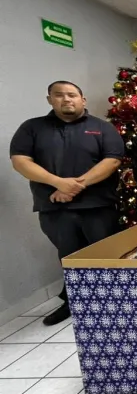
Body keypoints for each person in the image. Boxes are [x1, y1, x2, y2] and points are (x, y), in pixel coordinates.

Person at [9, 81, 124, 325]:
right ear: (49, 99)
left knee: (106, 255)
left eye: (72, 95)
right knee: (68, 257)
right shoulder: (32, 128)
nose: (66, 99)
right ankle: (73, 304)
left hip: (98, 207)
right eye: (59, 95)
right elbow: (20, 161)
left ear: (83, 99)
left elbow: (113, 161)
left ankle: (113, 305)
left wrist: (74, 186)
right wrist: (57, 182)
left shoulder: (102, 128)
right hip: (54, 208)